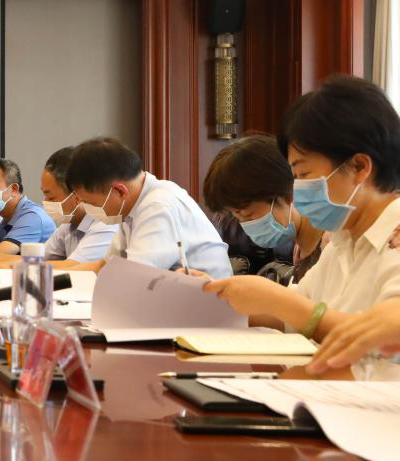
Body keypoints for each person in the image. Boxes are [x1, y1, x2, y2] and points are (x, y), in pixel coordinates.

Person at [203, 76, 400, 338]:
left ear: (359, 166)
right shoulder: (341, 242)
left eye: (304, 174)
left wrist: (277, 299)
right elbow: (296, 315)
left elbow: (383, 338)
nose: (296, 189)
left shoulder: (394, 237)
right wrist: (214, 297)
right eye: (295, 176)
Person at [67, 137, 231, 279]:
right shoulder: (130, 207)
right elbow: (105, 266)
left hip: (208, 300)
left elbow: (136, 277)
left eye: (92, 204)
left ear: (120, 191)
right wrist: (58, 280)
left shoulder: (158, 206)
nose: (89, 211)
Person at [201, 134, 324, 282]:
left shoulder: (331, 245)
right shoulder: (301, 249)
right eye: (237, 217)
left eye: (248, 215)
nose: (247, 225)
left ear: (287, 195)